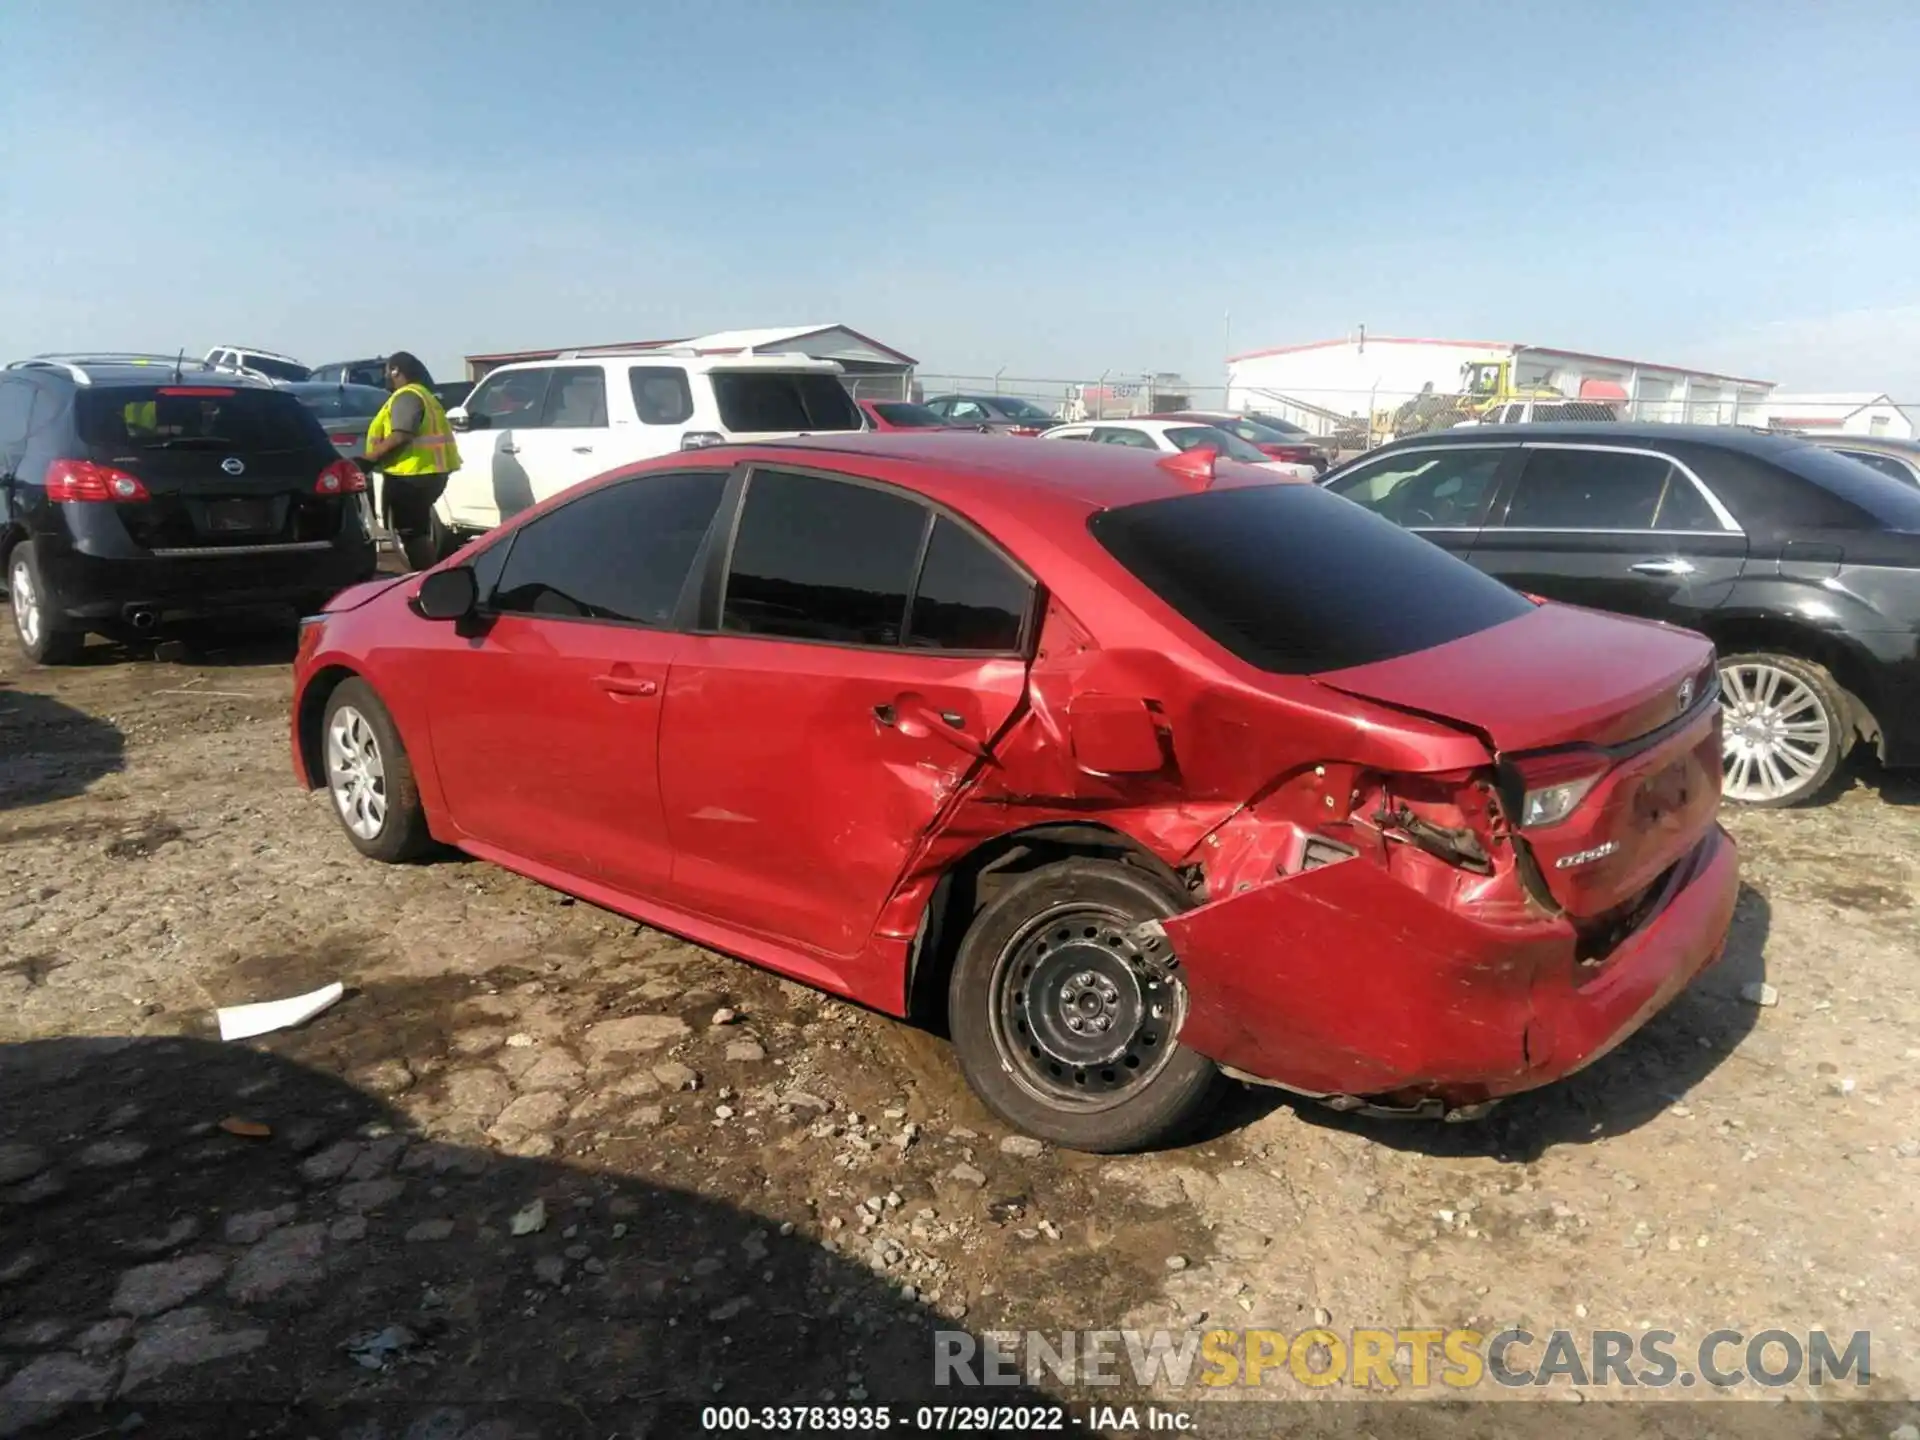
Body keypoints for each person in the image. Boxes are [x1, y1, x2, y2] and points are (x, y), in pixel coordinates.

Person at [361, 351, 460, 570]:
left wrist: (367, 460)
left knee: (412, 532)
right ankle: (428, 577)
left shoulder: (407, 396)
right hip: (428, 471)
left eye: (387, 371)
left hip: (413, 474)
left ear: (396, 370)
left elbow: (402, 434)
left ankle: (424, 580)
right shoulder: (424, 394)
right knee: (418, 530)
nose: (385, 376)